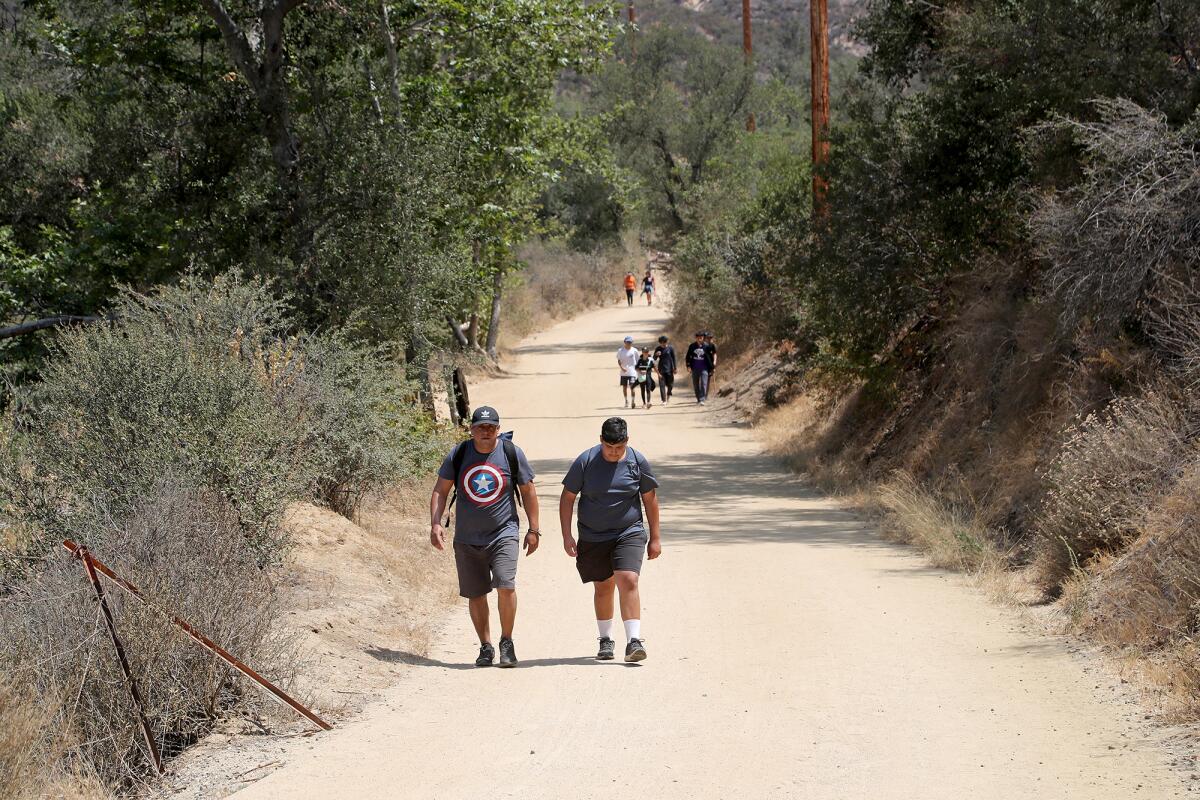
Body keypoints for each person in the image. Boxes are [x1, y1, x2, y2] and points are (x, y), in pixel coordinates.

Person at [429, 406, 540, 668]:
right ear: (472, 429)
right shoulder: (459, 454)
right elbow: (441, 490)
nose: (486, 431)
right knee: (476, 594)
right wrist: (435, 523)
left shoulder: (511, 453)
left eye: (491, 427)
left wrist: (534, 529)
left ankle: (506, 642)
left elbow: (528, 490)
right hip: (467, 538)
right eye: (481, 427)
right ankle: (486, 646)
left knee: (506, 585)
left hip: (504, 532)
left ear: (498, 429)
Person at [559, 417, 661, 662]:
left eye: (619, 448)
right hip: (593, 534)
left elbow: (650, 499)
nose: (614, 453)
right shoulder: (586, 461)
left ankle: (633, 641)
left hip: (629, 530)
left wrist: (655, 537)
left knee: (628, 579)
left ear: (627, 441)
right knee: (603, 587)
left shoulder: (637, 461)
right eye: (609, 447)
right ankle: (606, 640)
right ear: (601, 441)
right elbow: (567, 498)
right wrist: (566, 535)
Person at [684, 331, 715, 405]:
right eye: (698, 338)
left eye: (701, 338)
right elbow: (688, 357)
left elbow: (711, 358)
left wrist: (712, 368)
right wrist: (688, 366)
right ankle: (698, 398)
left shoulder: (707, 346)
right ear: (696, 338)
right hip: (694, 368)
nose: (699, 339)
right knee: (696, 384)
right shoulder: (692, 346)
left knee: (704, 384)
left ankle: (702, 399)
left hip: (705, 368)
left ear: (703, 338)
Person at [616, 335, 640, 408]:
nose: (629, 343)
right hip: (623, 372)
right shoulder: (620, 350)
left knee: (632, 387)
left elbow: (638, 360)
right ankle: (626, 400)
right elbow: (619, 360)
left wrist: (638, 369)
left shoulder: (634, 350)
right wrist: (622, 367)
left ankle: (633, 401)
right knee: (624, 387)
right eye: (627, 342)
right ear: (624, 342)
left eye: (630, 342)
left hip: (632, 372)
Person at [653, 335, 676, 404]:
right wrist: (656, 355)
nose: (663, 344)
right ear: (660, 342)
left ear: (667, 341)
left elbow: (674, 358)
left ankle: (668, 395)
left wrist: (675, 368)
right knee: (662, 385)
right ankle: (664, 400)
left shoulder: (670, 348)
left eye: (664, 342)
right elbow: (654, 358)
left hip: (669, 369)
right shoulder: (658, 348)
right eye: (661, 342)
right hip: (661, 369)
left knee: (670, 384)